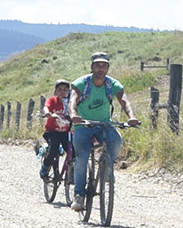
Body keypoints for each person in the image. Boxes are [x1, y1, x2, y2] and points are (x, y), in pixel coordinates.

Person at [69, 52, 138, 196]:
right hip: (83, 125)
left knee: (116, 140)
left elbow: (124, 100)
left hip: (103, 125)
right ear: (92, 67)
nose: (101, 69)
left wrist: (132, 117)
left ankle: (107, 167)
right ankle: (79, 195)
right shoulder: (82, 83)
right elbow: (73, 101)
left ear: (108, 68)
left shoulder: (111, 84)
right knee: (82, 158)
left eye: (104, 66)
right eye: (98, 65)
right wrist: (74, 115)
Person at [38, 79, 76, 200]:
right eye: (60, 90)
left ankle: (72, 174)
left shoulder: (70, 102)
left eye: (65, 90)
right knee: (53, 148)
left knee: (73, 151)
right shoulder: (52, 100)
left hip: (66, 132)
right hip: (52, 132)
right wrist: (48, 113)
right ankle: (45, 167)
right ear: (55, 91)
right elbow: (46, 107)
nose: (62, 92)